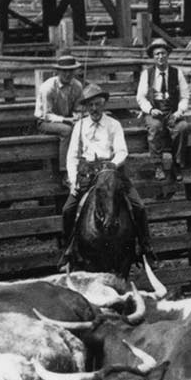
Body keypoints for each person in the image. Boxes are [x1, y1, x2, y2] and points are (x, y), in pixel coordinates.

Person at [61, 83, 144, 256]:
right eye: (90, 105)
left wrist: (112, 165)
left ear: (103, 104)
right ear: (86, 107)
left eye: (97, 104)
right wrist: (73, 180)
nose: (94, 109)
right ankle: (69, 249)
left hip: (111, 170)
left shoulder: (113, 124)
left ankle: (144, 246)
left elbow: (122, 151)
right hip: (88, 172)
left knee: (139, 205)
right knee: (68, 209)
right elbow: (72, 156)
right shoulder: (80, 126)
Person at [136, 37, 190, 181]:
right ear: (153, 57)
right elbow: (141, 98)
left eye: (163, 53)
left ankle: (177, 164)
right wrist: (150, 110)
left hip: (172, 111)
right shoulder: (146, 74)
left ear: (167, 55)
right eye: (157, 54)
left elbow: (185, 96)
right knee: (155, 127)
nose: (160, 57)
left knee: (182, 127)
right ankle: (158, 165)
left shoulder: (177, 73)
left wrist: (179, 112)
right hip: (154, 112)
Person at [34, 53, 86, 140]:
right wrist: (65, 120)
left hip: (68, 119)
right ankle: (65, 154)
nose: (68, 74)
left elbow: (79, 108)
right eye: (64, 71)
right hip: (45, 122)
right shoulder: (48, 87)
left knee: (87, 126)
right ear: (58, 71)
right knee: (67, 130)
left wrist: (77, 116)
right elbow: (46, 115)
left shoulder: (77, 86)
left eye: (71, 70)